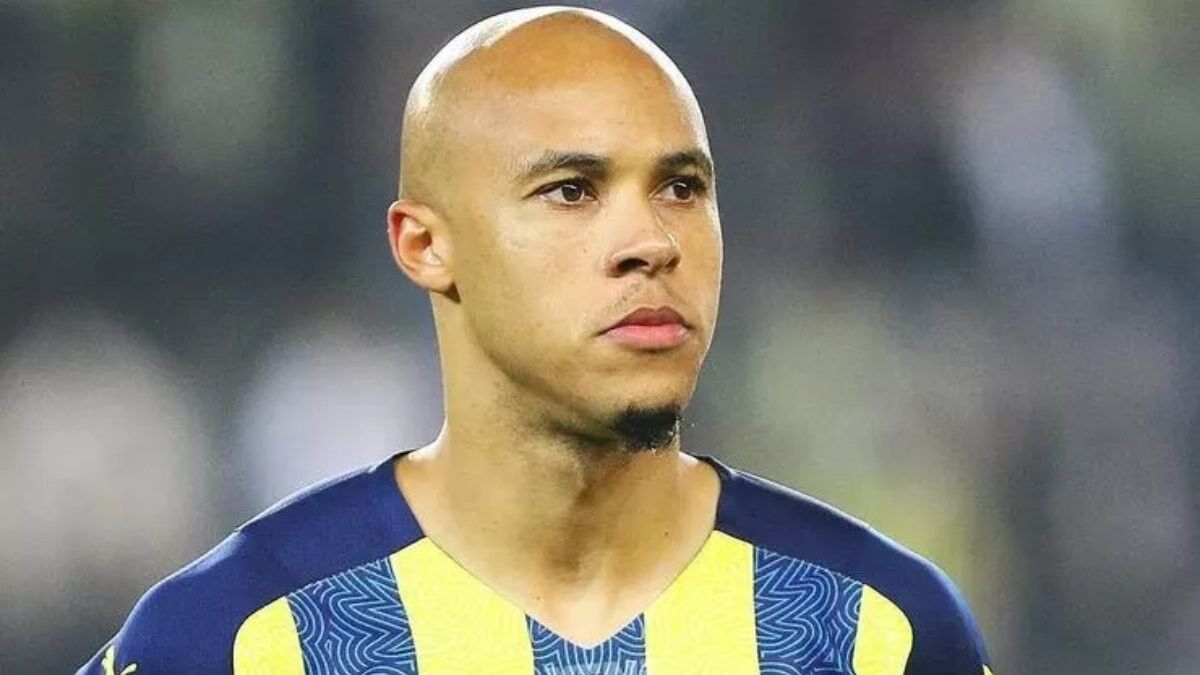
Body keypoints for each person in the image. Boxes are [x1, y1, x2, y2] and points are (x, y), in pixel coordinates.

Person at [77, 7, 994, 674]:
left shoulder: (880, 631)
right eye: (571, 191)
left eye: (680, 187)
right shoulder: (234, 639)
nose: (651, 242)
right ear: (424, 245)